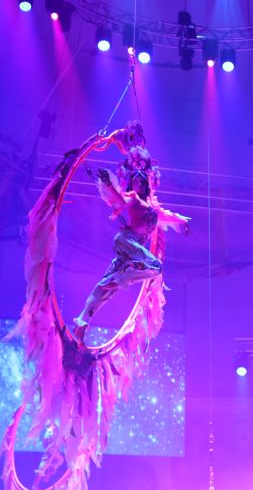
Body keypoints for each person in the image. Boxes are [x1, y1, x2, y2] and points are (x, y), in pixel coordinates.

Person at [74, 122, 189, 344]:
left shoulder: (152, 208)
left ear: (146, 185)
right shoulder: (133, 198)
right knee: (155, 266)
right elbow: (118, 198)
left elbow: (166, 215)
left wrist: (182, 220)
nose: (136, 184)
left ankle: (83, 320)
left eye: (140, 181)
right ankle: (119, 279)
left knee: (107, 287)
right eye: (134, 181)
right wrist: (107, 184)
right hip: (127, 242)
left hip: (132, 252)